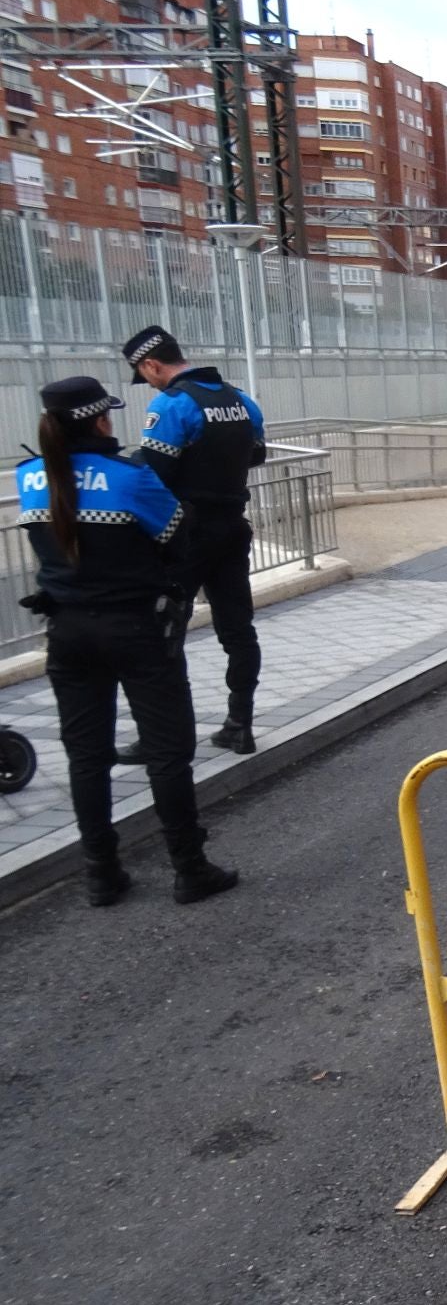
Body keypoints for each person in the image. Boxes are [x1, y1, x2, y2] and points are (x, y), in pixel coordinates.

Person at [19, 377, 240, 907]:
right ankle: (189, 868)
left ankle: (102, 873)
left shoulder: (31, 477)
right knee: (167, 753)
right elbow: (174, 537)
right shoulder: (129, 477)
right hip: (136, 629)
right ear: (100, 420)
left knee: (86, 756)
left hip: (67, 632)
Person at [118, 326, 266, 758]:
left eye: (144, 374)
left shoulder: (172, 404)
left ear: (151, 364)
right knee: (238, 632)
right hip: (233, 528)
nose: (148, 381)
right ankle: (240, 725)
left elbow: (154, 475)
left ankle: (163, 736)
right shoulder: (240, 399)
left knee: (163, 635)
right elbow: (255, 455)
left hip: (187, 537)